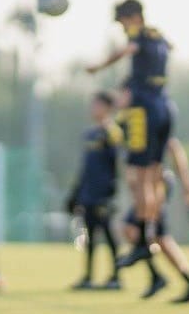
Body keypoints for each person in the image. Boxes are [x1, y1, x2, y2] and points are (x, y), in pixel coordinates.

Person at [85, 0, 173, 268]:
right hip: (165, 107)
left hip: (143, 112)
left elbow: (128, 49)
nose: (123, 28)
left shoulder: (139, 34)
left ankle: (143, 241)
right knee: (153, 175)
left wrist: (99, 66)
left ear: (133, 17)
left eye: (123, 22)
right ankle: (149, 234)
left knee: (140, 178)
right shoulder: (159, 37)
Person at [119, 137, 189, 303]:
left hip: (157, 187)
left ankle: (163, 278)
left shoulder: (150, 117)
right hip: (146, 191)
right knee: (151, 236)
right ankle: (183, 283)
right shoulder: (127, 124)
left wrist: (188, 184)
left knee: (146, 234)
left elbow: (174, 147)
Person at [66, 90, 123, 291]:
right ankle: (88, 276)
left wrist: (110, 194)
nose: (93, 109)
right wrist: (76, 193)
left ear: (107, 108)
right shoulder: (89, 134)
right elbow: (86, 168)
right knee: (88, 235)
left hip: (103, 195)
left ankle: (116, 276)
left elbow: (117, 166)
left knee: (108, 235)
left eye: (97, 105)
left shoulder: (112, 133)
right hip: (88, 194)